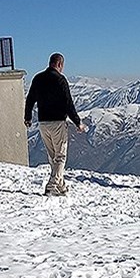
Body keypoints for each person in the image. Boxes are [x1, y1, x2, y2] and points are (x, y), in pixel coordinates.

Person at [24, 53, 85, 196]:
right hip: (57, 122)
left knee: (53, 156)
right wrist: (77, 122)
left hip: (43, 123)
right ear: (59, 64)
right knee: (60, 156)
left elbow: (30, 100)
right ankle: (52, 185)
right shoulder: (60, 80)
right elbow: (68, 103)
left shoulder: (38, 78)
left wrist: (27, 117)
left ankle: (61, 185)